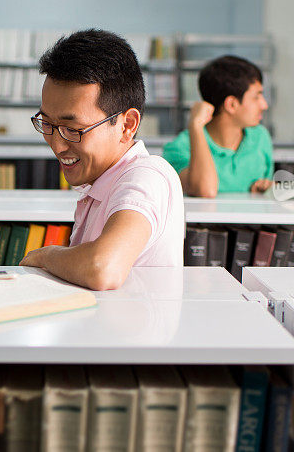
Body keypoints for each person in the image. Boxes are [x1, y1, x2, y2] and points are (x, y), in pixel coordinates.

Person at [19, 29, 184, 291]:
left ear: (127, 125)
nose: (57, 145)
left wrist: (44, 256)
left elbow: (103, 268)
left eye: (73, 129)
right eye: (47, 123)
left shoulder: (146, 176)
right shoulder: (100, 182)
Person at [163, 55, 274, 197]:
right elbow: (205, 190)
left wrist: (269, 188)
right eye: (256, 97)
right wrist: (196, 126)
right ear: (231, 104)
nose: (264, 105)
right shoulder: (180, 147)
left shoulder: (260, 137)